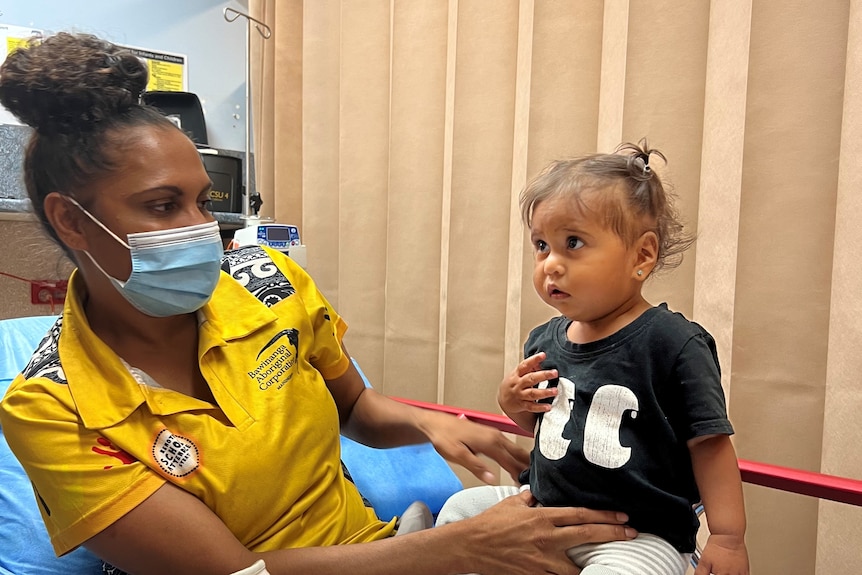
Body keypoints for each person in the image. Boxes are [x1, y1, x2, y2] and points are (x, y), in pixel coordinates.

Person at [0, 32, 638, 575]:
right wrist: (457, 549)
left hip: (380, 551)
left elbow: (354, 407)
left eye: (205, 201)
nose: (205, 230)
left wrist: (435, 426)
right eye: (164, 206)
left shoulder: (261, 280)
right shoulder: (52, 407)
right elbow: (238, 573)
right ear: (74, 222)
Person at [437, 143, 750, 575]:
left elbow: (710, 445)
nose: (551, 264)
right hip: (543, 513)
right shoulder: (543, 339)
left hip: (635, 536)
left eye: (573, 243)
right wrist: (512, 403)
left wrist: (728, 539)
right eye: (542, 246)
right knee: (458, 512)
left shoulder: (674, 343)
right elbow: (551, 427)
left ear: (642, 256)